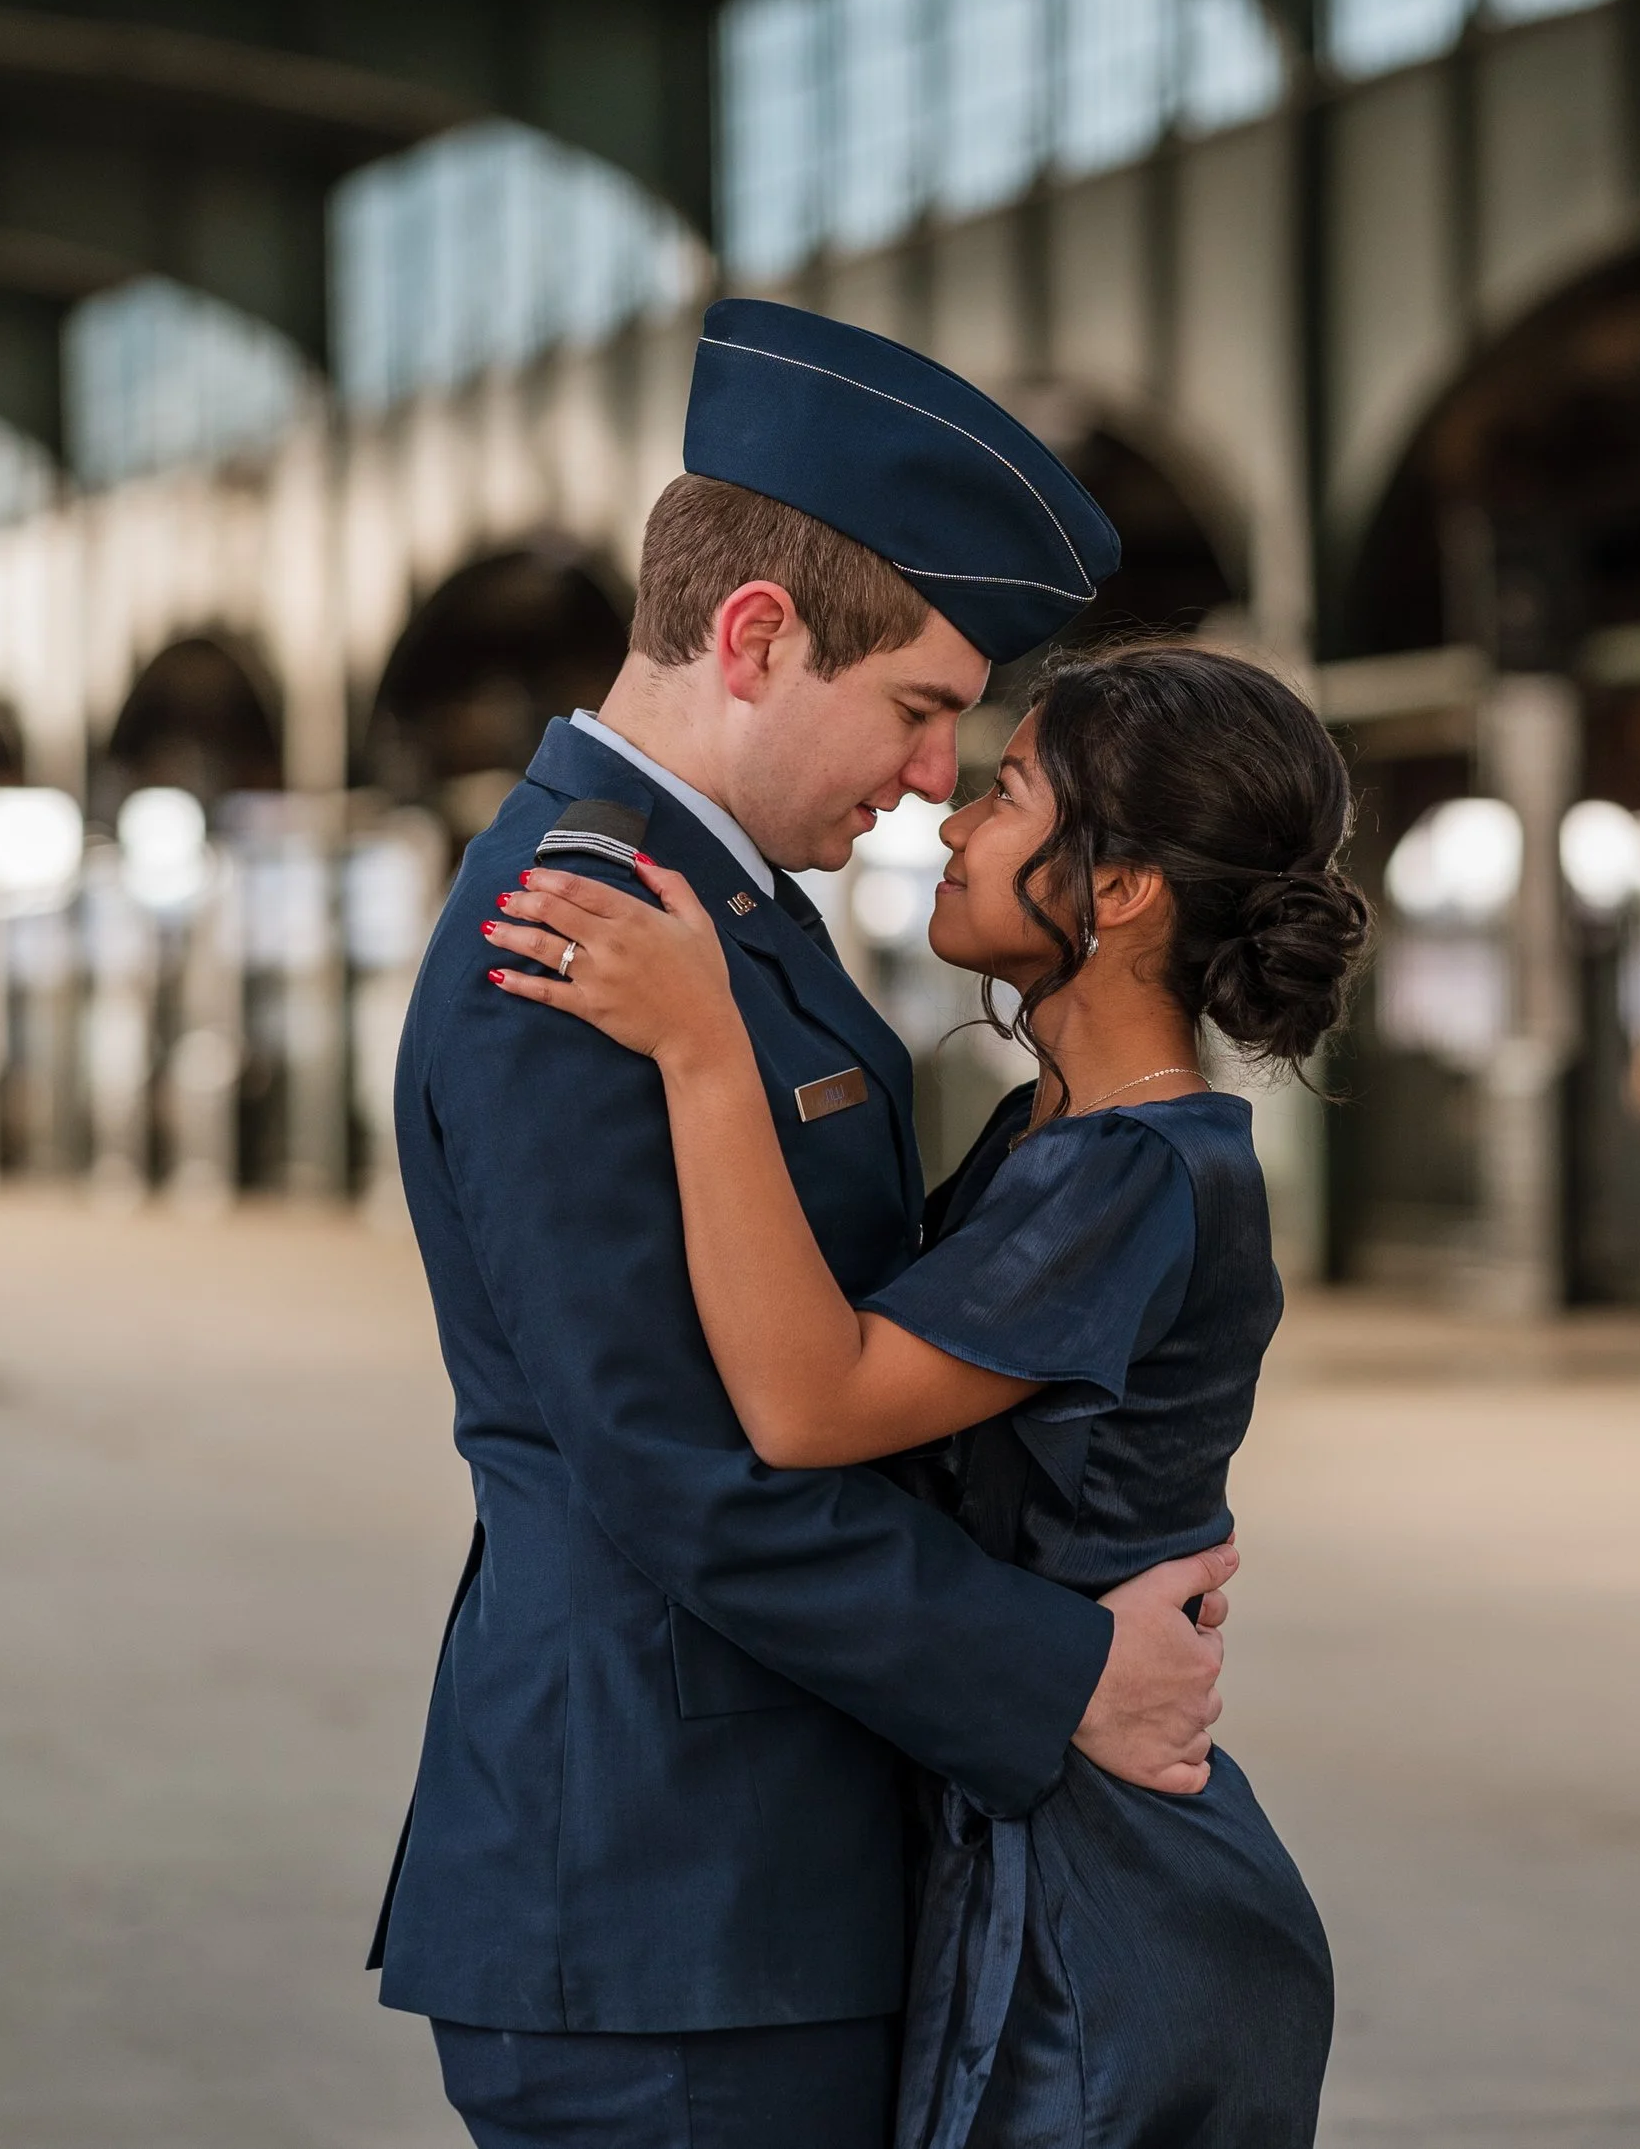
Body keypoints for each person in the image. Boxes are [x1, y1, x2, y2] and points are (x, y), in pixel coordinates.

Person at [371, 298, 1240, 2149]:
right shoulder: (580, 936)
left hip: (744, 1875)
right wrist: (1067, 1677)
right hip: (670, 1904)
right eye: (923, 707)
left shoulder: (712, 912)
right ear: (757, 637)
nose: (937, 777)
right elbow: (680, 1468)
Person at [486, 637, 1371, 2149]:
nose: (952, 817)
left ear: (1120, 889)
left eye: (1012, 790)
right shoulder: (1060, 1132)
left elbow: (810, 1405)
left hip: (1101, 1914)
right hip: (1029, 1818)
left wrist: (704, 1050)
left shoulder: (1140, 1172)